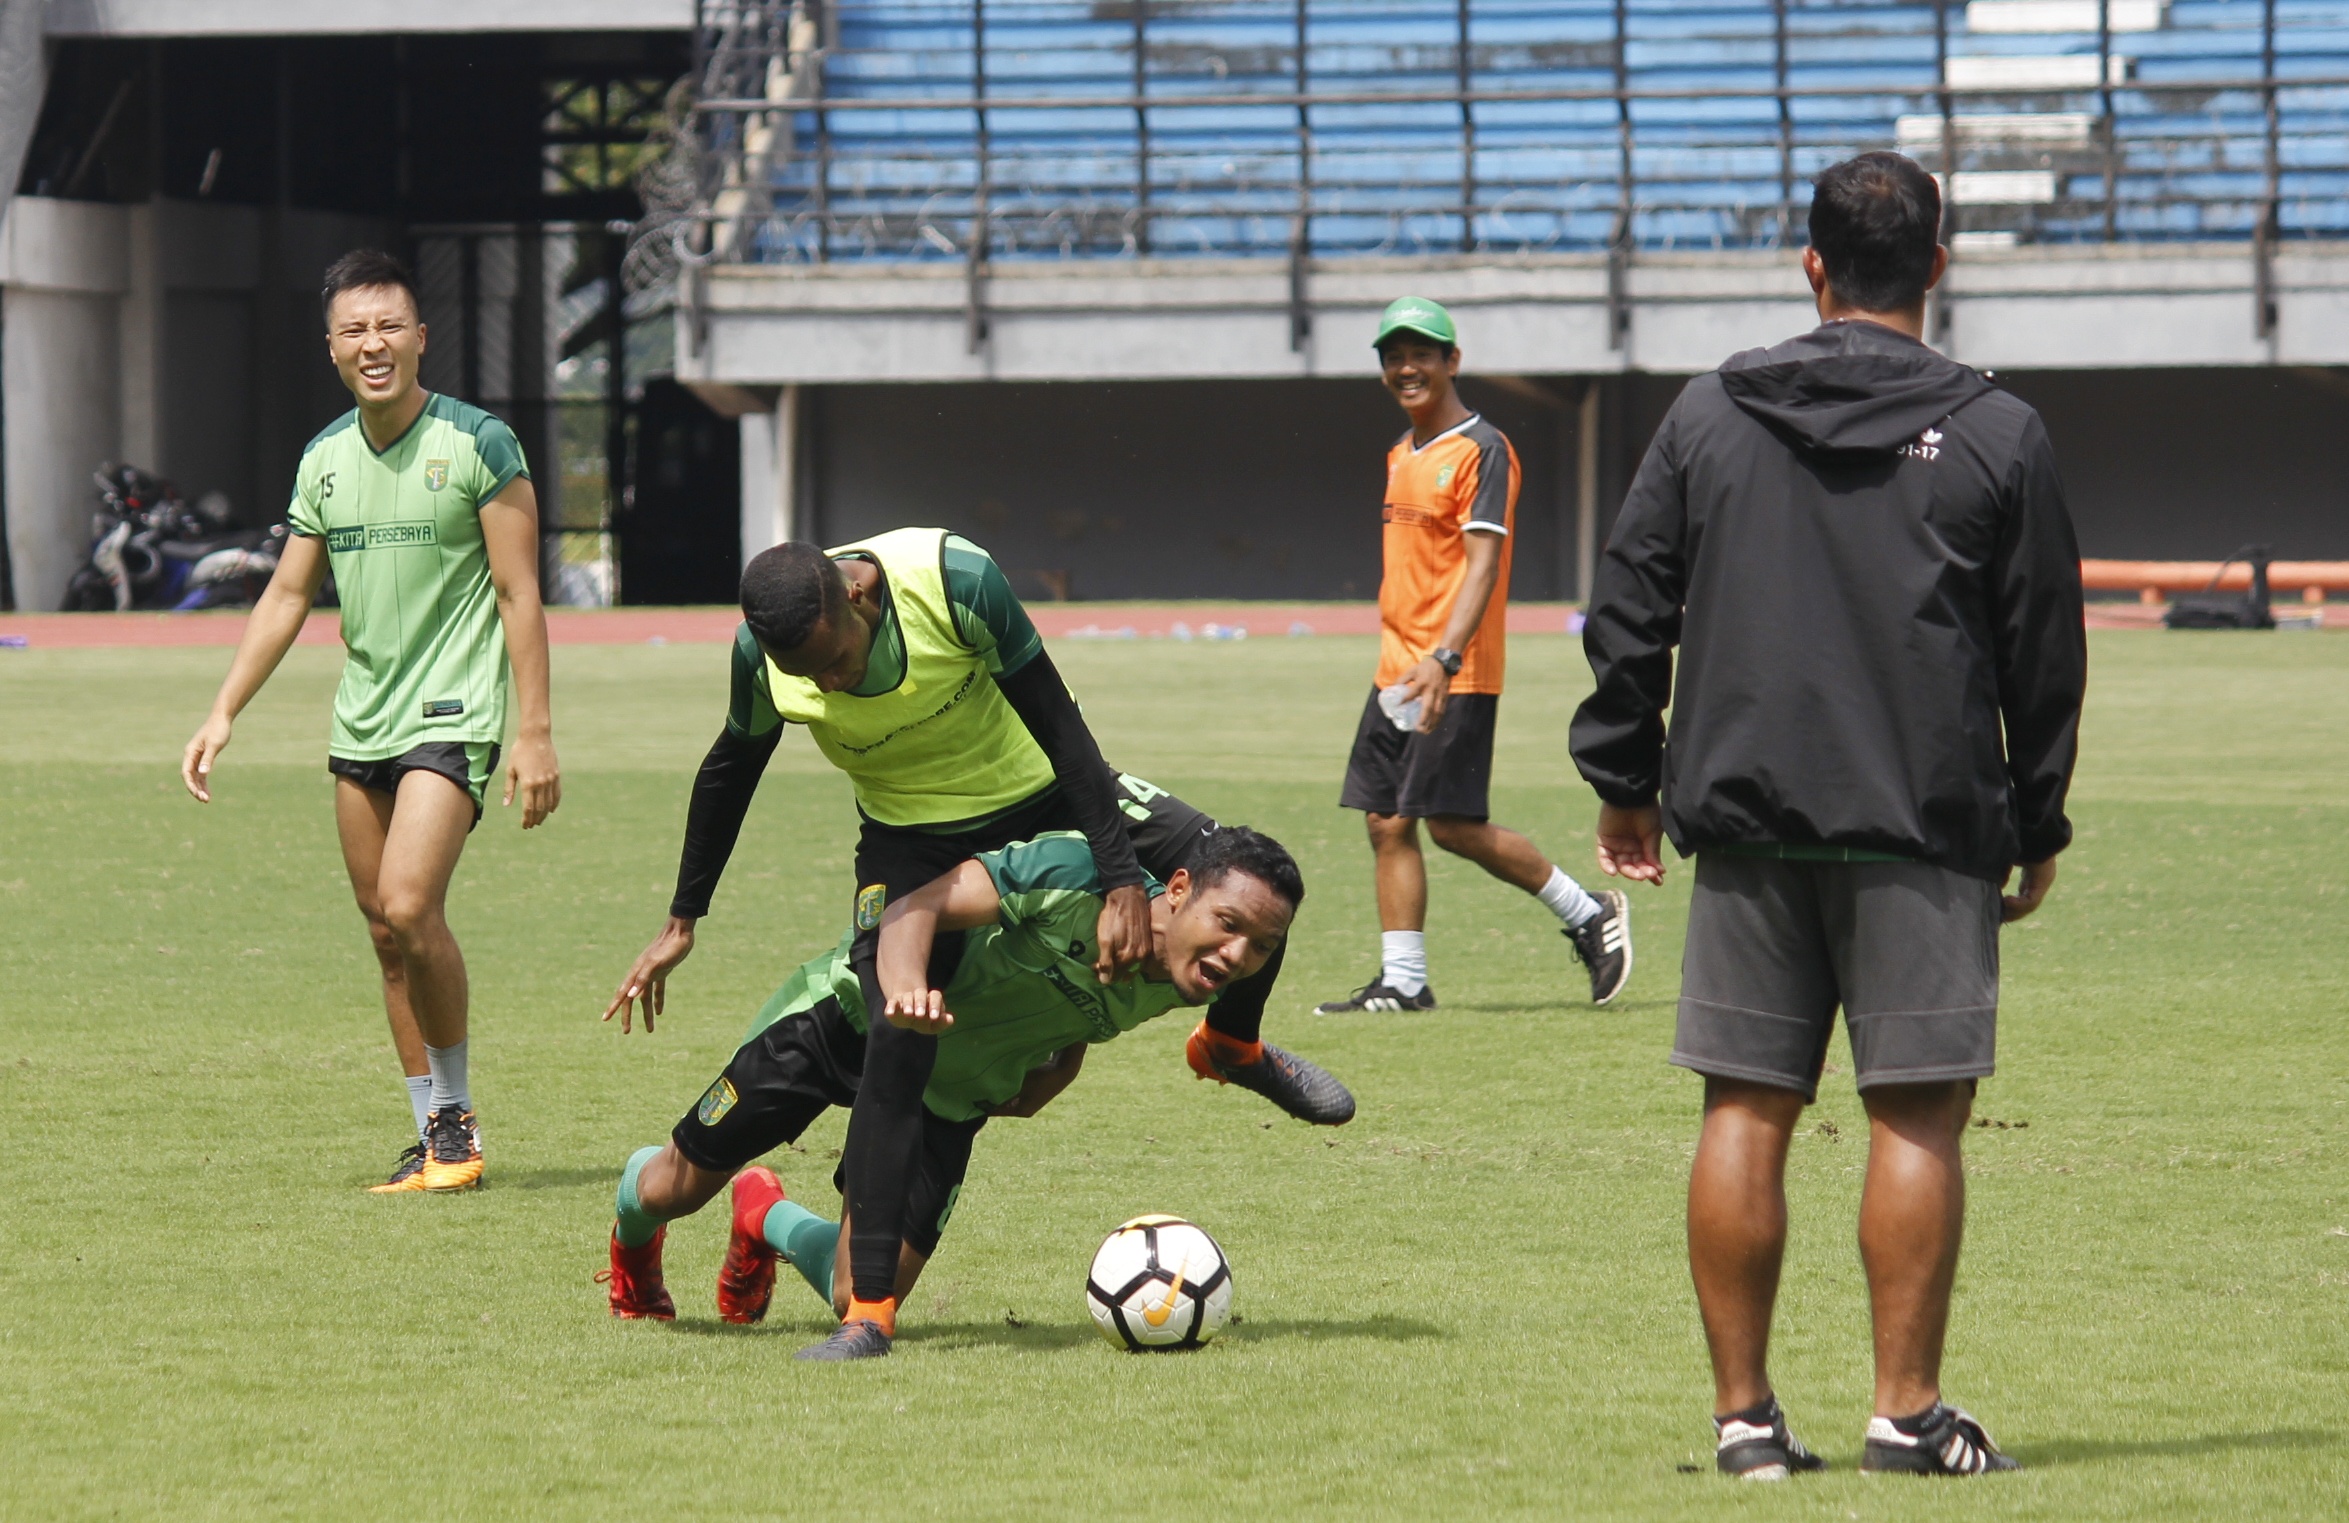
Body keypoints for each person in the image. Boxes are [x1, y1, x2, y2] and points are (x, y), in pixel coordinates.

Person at [1571, 152, 2084, 1479]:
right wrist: (2039, 819)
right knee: (1914, 1113)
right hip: (1924, 821)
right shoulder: (1998, 430)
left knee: (1745, 1107)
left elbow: (1626, 607)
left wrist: (1623, 778)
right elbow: (2041, 652)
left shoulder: (1705, 414)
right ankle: (1904, 1414)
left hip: (1746, 816)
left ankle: (1744, 1424)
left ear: (1809, 267)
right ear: (1936, 265)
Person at [602, 531, 1351, 1354]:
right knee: (894, 1013)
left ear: (856, 594)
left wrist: (1115, 877)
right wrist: (684, 917)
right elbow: (731, 764)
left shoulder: (951, 579)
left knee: (1245, 884)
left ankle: (1230, 1046)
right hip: (909, 838)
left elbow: (1059, 723)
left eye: (836, 660)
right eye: (809, 676)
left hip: (1039, 794)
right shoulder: (764, 653)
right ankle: (866, 1314)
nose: (830, 683)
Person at [597, 825, 1303, 1361]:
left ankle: (763, 1213)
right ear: (1176, 889)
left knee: (857, 1292)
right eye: (1228, 923)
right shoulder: (1072, 874)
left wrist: (1061, 1063)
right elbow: (917, 901)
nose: (1237, 955)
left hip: (953, 1098)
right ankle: (632, 1249)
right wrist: (903, 993)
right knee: (671, 1189)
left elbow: (1078, 995)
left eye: (1261, 947)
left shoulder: (1195, 970)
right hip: (844, 1020)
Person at [181, 249, 560, 1192]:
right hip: (362, 726)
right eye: (354, 330)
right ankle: (428, 1131)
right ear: (332, 348)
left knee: (408, 903)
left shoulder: (480, 444)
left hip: (452, 712)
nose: (373, 343)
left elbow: (520, 594)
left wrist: (536, 731)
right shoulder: (324, 460)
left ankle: (460, 1122)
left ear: (421, 337)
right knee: (383, 933)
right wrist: (223, 710)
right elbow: (284, 597)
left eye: (389, 325)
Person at [1316, 296, 1630, 1015]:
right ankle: (1403, 980)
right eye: (1393, 355)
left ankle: (1587, 911)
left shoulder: (1482, 449)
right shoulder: (1401, 453)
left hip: (1450, 671)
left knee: (1452, 824)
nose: (1405, 367)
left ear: (1451, 361)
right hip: (1395, 669)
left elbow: (1483, 566)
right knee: (1383, 821)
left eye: (1421, 353)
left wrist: (1445, 658)